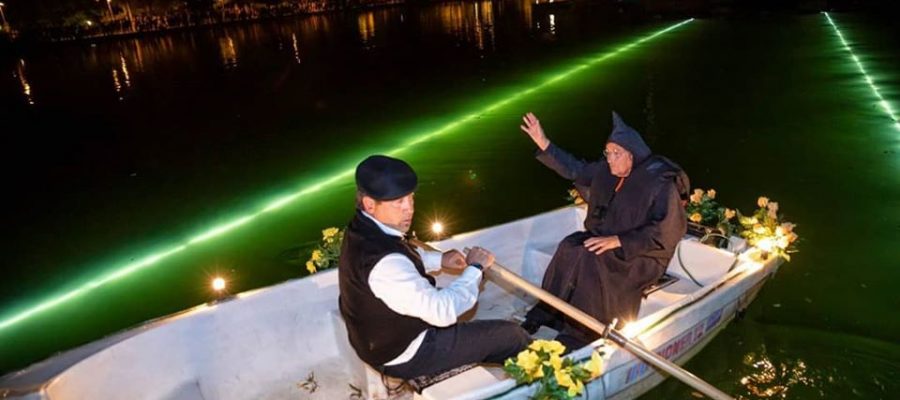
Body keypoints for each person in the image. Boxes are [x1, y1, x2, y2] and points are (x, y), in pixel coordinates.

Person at [338, 155, 531, 380]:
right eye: (398, 202)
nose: (409, 209)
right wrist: (476, 268)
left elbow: (400, 255)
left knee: (489, 334)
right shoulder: (385, 263)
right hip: (406, 353)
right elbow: (441, 312)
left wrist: (439, 260)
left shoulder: (362, 229)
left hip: (374, 340)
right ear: (370, 204)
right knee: (510, 336)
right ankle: (544, 383)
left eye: (411, 198)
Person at [518, 111, 688, 349]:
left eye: (616, 154)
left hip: (642, 254)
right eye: (608, 153)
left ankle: (583, 333)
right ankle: (550, 313)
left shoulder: (659, 183)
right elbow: (575, 169)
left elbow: (666, 230)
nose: (610, 159)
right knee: (570, 245)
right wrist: (543, 142)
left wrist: (620, 240)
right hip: (605, 239)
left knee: (592, 258)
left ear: (632, 156)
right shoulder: (606, 170)